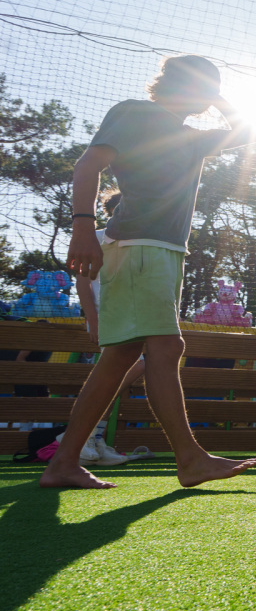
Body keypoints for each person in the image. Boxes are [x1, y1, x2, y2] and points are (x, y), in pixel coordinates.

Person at [40, 55, 256, 490]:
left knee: (120, 356)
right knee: (166, 345)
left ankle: (64, 461)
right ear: (180, 85)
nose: (208, 97)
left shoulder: (191, 138)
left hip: (157, 251)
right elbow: (88, 165)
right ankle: (191, 458)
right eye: (204, 86)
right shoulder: (135, 112)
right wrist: (83, 226)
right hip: (142, 248)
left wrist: (215, 95)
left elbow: (249, 132)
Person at [75, 192, 147, 466]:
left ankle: (93, 437)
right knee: (131, 368)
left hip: (132, 318)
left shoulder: (140, 243)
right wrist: (92, 319)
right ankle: (82, 437)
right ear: (112, 211)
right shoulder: (96, 237)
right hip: (106, 317)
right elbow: (83, 282)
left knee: (124, 373)